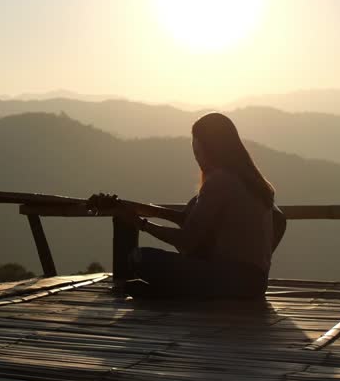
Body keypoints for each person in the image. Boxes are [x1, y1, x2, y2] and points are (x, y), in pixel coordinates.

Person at [90, 112, 285, 299]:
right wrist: (125, 207)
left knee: (140, 258)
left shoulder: (220, 180)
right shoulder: (252, 181)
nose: (197, 157)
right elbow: (189, 219)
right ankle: (171, 292)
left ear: (209, 148)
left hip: (230, 280)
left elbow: (187, 240)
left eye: (197, 150)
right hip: (255, 283)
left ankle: (171, 293)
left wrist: (140, 223)